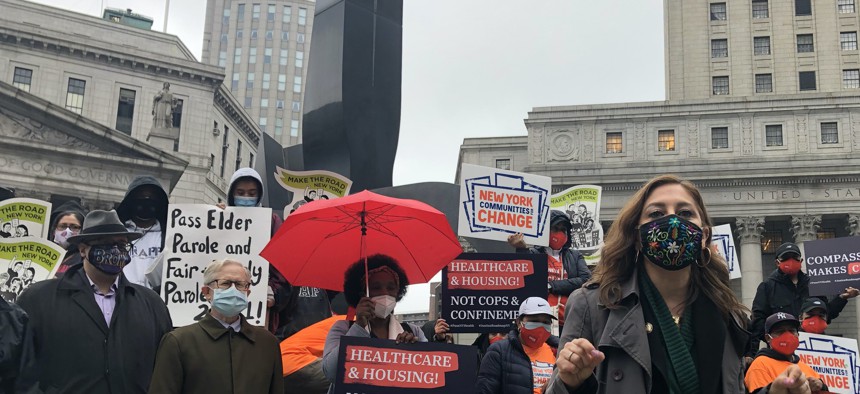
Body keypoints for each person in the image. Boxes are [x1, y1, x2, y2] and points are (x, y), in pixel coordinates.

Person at [545, 174, 749, 394]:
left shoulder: (728, 314)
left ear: (704, 236)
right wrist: (570, 383)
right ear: (637, 236)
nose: (673, 222)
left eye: (685, 213)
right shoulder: (592, 305)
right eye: (656, 213)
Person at [16, 210, 172, 393]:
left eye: (121, 244)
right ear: (83, 249)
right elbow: (19, 368)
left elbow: (166, 367)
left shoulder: (151, 304)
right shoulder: (38, 299)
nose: (115, 251)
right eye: (105, 243)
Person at [148, 259, 283, 393]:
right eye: (225, 283)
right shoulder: (179, 342)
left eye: (240, 285)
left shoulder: (267, 343)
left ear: (247, 292)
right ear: (206, 292)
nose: (234, 290)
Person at [322, 255, 428, 393]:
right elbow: (331, 373)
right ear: (362, 293)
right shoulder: (342, 328)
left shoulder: (414, 332)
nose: (385, 293)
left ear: (399, 292)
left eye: (391, 288)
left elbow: (427, 376)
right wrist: (359, 327)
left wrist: (414, 351)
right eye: (376, 287)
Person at [749, 242, 859, 358]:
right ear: (777, 262)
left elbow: (827, 314)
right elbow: (758, 321)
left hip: (814, 348)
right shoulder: (767, 287)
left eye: (794, 257)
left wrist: (842, 298)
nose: (791, 260)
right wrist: (774, 340)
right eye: (786, 258)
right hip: (782, 351)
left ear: (801, 261)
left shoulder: (814, 283)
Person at [508, 210, 591, 325]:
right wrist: (521, 249)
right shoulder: (533, 254)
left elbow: (585, 280)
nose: (560, 233)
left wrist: (551, 286)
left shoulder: (575, 256)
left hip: (571, 321)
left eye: (563, 230)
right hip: (541, 320)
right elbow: (524, 278)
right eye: (555, 229)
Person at [477, 297, 559, 394]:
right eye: (534, 321)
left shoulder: (558, 351)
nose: (540, 327)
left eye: (546, 322)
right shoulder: (498, 351)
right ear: (519, 323)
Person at [745, 312, 826, 393]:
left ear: (798, 335)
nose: (788, 335)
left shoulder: (805, 367)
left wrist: (821, 386)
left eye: (791, 331)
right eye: (780, 332)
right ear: (768, 338)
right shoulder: (760, 366)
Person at [116, 175, 169, 288]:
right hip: (121, 297)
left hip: (154, 300)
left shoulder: (169, 236)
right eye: (141, 198)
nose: (146, 202)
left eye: (151, 199)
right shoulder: (118, 233)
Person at [281, 315, 343, 394]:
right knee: (352, 376)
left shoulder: (342, 319)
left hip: (281, 366)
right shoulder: (354, 323)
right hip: (296, 361)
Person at [48, 200, 86, 277]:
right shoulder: (40, 256)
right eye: (62, 226)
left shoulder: (85, 262)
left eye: (74, 227)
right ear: (54, 230)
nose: (67, 231)